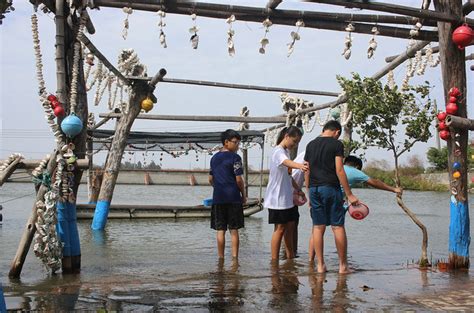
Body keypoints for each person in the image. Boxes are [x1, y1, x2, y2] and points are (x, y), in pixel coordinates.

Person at [308, 155, 403, 262]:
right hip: (335, 201)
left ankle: (311, 262)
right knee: (338, 229)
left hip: (318, 196)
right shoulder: (354, 171)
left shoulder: (332, 167)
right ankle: (343, 265)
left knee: (317, 230)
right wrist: (394, 189)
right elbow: (375, 182)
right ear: (357, 166)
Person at [304, 120, 359, 274]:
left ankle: (320, 266)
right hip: (330, 188)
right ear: (336, 132)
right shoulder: (336, 144)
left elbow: (306, 170)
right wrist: (349, 194)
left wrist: (309, 192)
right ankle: (343, 266)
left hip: (314, 189)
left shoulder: (310, 144)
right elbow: (339, 170)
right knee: (337, 226)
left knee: (318, 227)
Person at [264, 126, 308, 261]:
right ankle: (274, 260)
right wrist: (299, 166)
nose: (294, 145)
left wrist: (298, 189)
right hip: (276, 198)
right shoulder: (278, 152)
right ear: (286, 136)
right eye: (294, 141)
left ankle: (290, 258)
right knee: (280, 229)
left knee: (290, 226)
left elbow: (289, 176)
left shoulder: (286, 152)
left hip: (287, 197)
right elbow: (286, 162)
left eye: (297, 143)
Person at [209, 129, 246, 259]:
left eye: (238, 143)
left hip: (218, 198)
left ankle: (221, 258)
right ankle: (235, 259)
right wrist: (243, 194)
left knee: (220, 230)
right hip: (233, 198)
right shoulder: (235, 158)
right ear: (226, 142)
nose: (237, 146)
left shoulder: (213, 159)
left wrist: (218, 187)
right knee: (234, 230)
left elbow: (210, 179)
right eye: (235, 143)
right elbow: (239, 180)